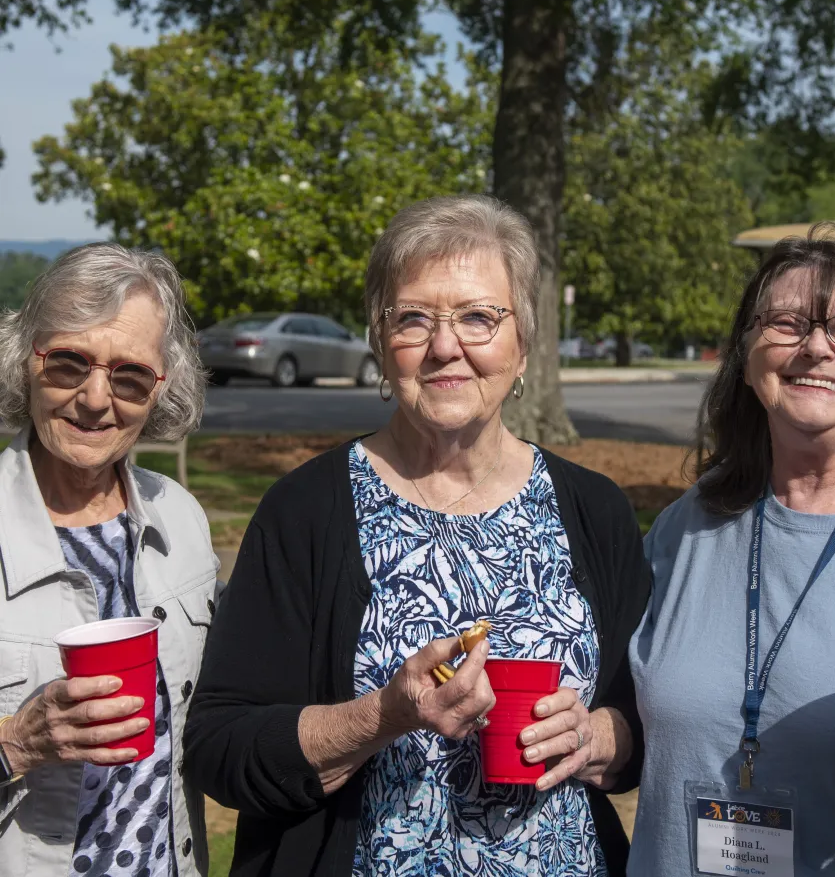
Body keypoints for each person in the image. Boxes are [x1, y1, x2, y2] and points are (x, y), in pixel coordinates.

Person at [184, 194, 650, 877]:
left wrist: (596, 735)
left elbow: (650, 722)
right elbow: (220, 745)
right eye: (412, 319)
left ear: (524, 345)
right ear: (379, 342)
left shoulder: (594, 510)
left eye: (478, 317)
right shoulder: (306, 511)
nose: (444, 346)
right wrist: (382, 716)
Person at [629, 224, 835, 875]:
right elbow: (625, 723)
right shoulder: (682, 529)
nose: (815, 348)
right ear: (746, 357)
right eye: (785, 323)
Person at [0, 243, 219, 877]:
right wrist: (13, 743)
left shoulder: (180, 517)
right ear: (25, 361)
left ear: (160, 387)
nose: (97, 400)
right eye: (68, 364)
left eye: (128, 376)